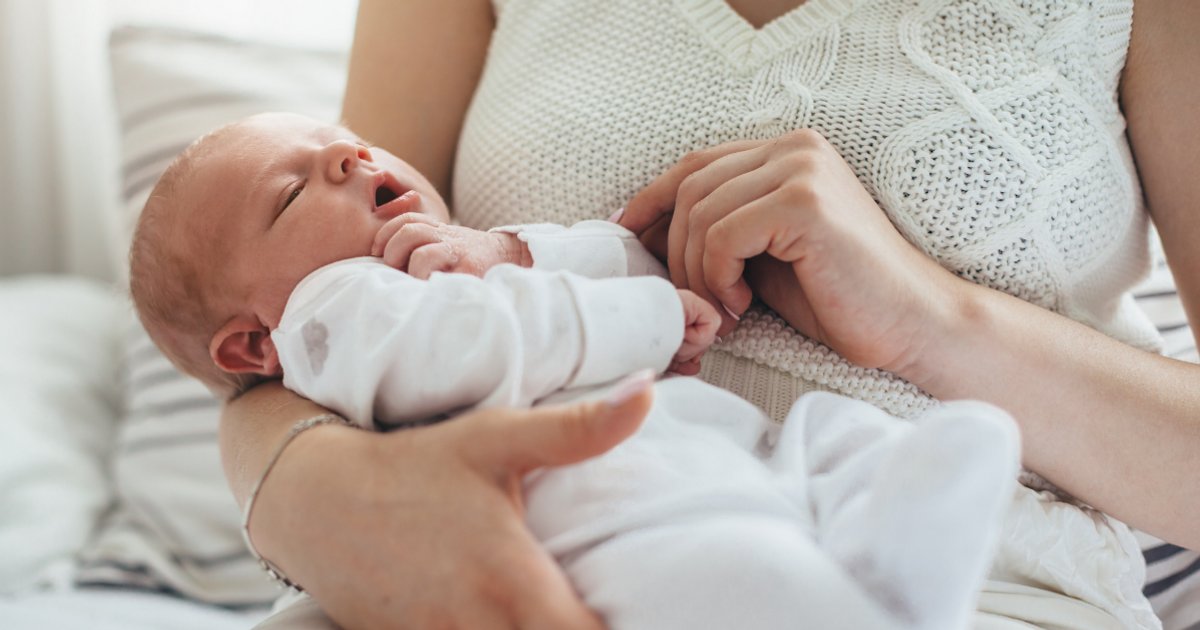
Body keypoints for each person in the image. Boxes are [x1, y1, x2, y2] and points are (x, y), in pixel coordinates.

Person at [217, 1, 1199, 629]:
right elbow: (303, 325)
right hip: (528, 555)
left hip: (967, 585)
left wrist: (928, 318)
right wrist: (323, 497)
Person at [130, 111, 1023, 630]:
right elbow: (474, 350)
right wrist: (651, 317)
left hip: (728, 464)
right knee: (748, 575)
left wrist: (510, 250)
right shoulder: (334, 320)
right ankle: (870, 603)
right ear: (254, 346)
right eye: (291, 194)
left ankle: (892, 562)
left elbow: (626, 260)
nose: (347, 159)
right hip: (621, 535)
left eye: (350, 146)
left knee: (843, 438)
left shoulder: (461, 262)